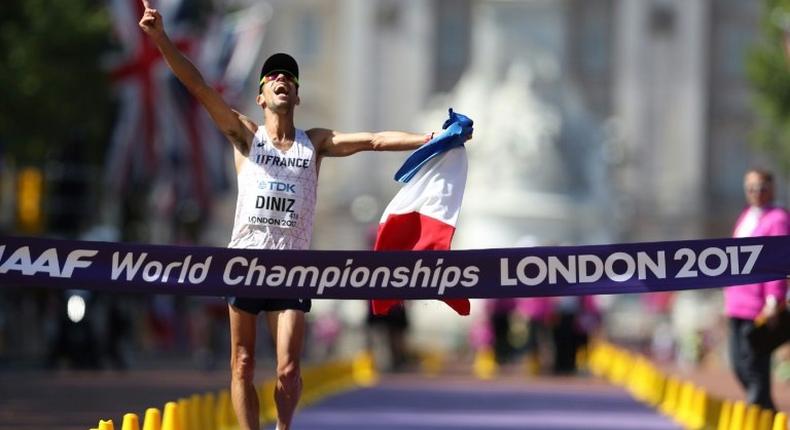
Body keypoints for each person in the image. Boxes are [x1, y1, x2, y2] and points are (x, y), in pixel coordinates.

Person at [138, 2, 458, 429]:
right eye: (273, 77)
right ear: (261, 95)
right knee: (243, 363)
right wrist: (160, 38)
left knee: (289, 369)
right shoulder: (243, 134)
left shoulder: (316, 142)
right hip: (246, 264)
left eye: (289, 77)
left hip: (292, 267)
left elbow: (375, 140)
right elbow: (197, 86)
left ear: (297, 95)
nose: (282, 80)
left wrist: (432, 138)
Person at [723, 168, 789, 411]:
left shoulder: (778, 218)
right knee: (738, 364)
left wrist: (774, 299)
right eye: (751, 188)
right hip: (736, 304)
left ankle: (761, 415)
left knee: (754, 367)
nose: (757, 193)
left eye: (762, 187)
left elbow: (778, 260)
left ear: (772, 188)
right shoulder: (746, 217)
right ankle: (766, 411)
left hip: (758, 306)